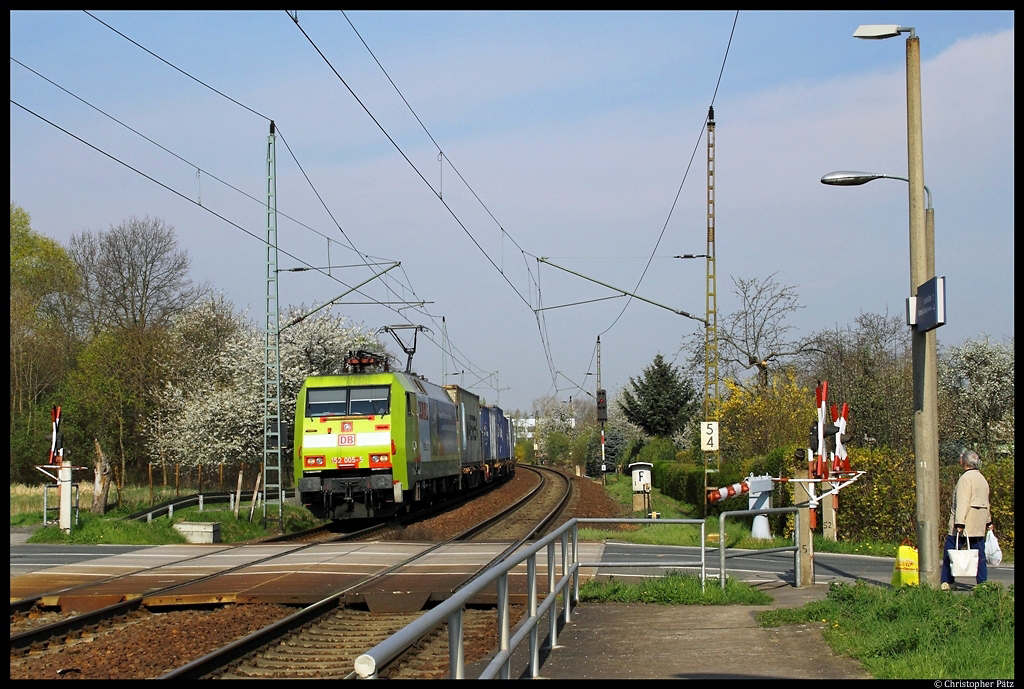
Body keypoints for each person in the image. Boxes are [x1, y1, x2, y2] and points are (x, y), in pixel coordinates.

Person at [940, 449, 992, 590]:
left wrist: (959, 522)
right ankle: (982, 583)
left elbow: (963, 501)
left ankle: (947, 581)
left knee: (950, 550)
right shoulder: (982, 479)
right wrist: (988, 521)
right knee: (979, 552)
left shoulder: (965, 478)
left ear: (964, 462)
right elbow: (986, 502)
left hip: (965, 523)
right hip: (979, 523)